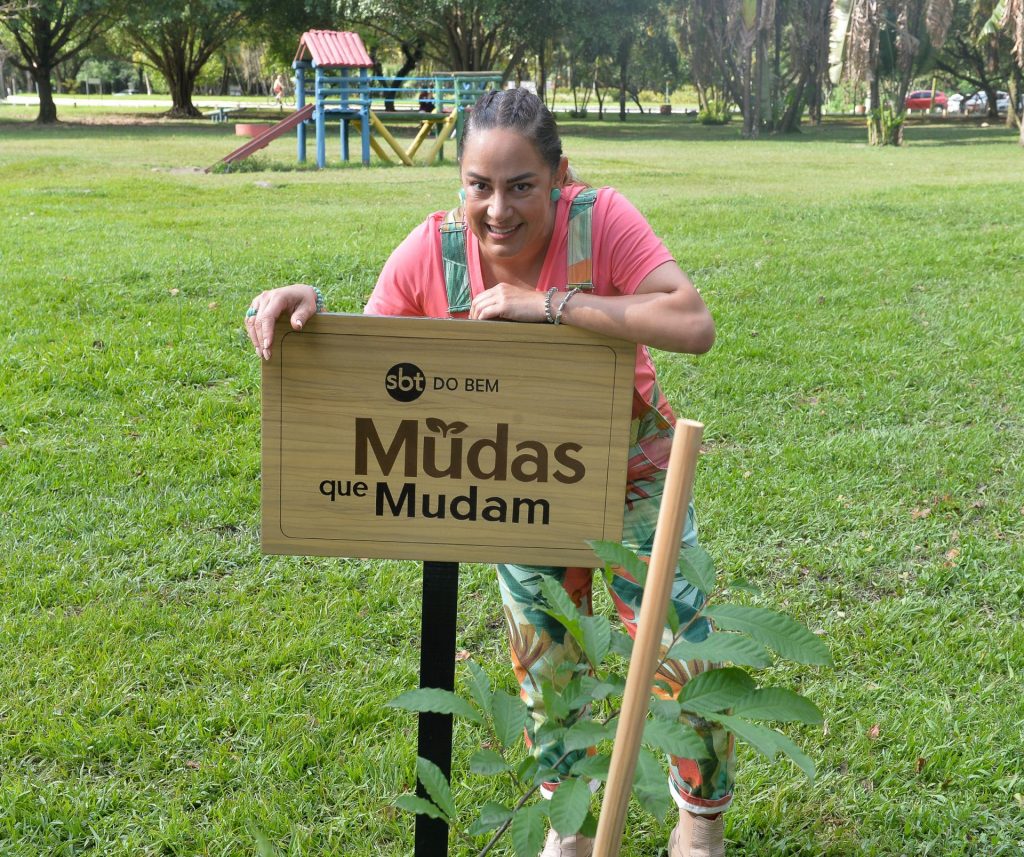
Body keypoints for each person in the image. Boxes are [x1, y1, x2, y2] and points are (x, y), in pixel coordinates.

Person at [244, 88, 731, 857]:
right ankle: (567, 829)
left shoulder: (599, 220)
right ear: (459, 182)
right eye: (479, 184)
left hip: (632, 471)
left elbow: (691, 322)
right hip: (518, 481)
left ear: (559, 175)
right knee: (548, 666)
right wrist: (313, 306)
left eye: (521, 185)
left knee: (685, 655)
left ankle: (698, 828)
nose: (498, 209)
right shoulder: (432, 249)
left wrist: (554, 304)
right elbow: (375, 356)